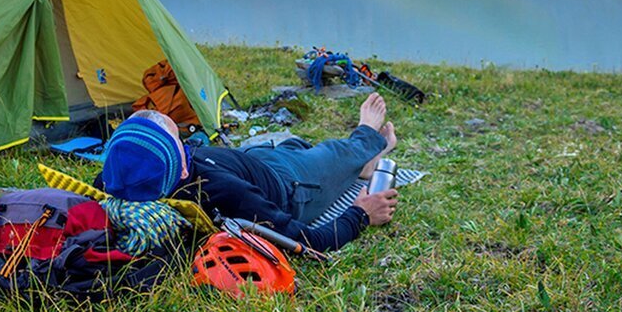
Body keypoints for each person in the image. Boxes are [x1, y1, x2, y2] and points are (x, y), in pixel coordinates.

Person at [98, 93, 400, 253]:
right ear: (183, 168)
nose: (188, 143)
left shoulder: (115, 181)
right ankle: (368, 138)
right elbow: (310, 242)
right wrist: (361, 214)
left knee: (294, 145)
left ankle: (362, 165)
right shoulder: (222, 192)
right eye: (181, 143)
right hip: (292, 185)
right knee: (333, 154)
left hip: (251, 160)